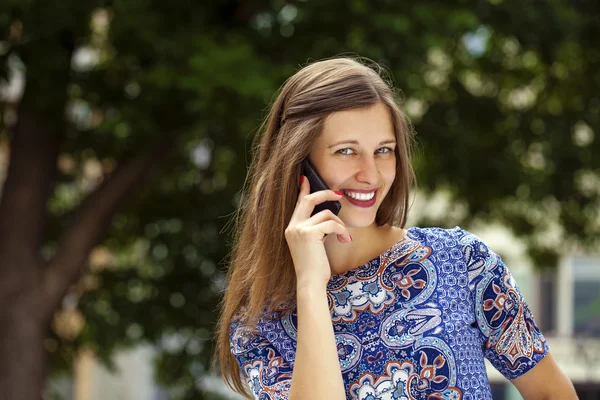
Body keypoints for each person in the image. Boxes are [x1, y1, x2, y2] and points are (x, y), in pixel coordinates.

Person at [212, 57, 577, 400]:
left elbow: (552, 392)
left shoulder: (462, 262)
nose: (370, 174)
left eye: (384, 150)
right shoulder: (259, 324)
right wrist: (310, 287)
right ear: (298, 162)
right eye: (346, 151)